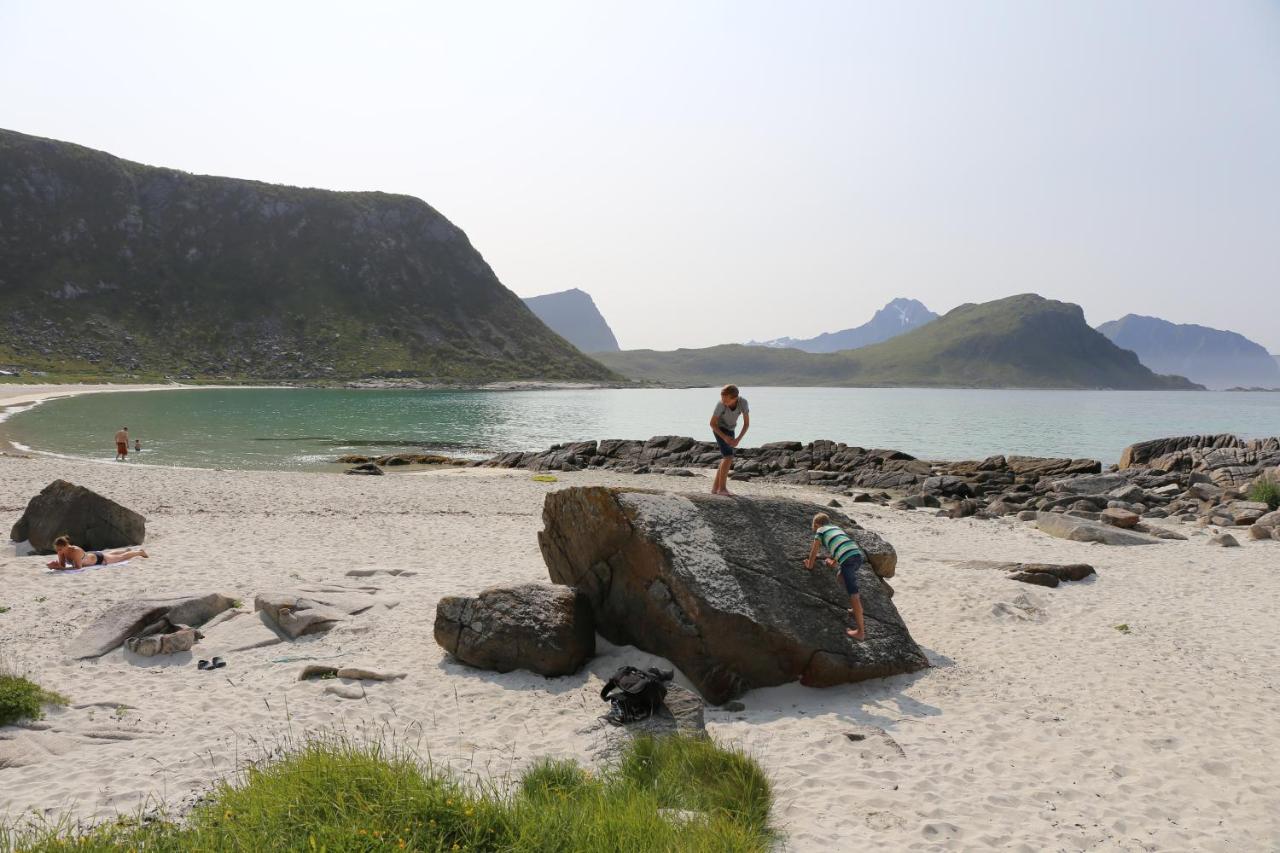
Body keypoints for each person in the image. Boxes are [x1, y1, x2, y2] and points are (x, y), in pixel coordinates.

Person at [804, 512, 867, 640]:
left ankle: (860, 632)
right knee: (840, 577)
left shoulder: (820, 530)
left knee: (853, 593)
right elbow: (839, 544)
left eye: (814, 527)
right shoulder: (836, 528)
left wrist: (810, 565)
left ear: (816, 524)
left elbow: (814, 550)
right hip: (857, 555)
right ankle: (856, 609)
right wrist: (833, 561)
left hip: (848, 559)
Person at [709, 384, 749, 496]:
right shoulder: (720, 404)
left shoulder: (743, 403)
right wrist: (724, 437)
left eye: (726, 400)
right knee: (728, 456)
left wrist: (738, 439)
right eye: (722, 399)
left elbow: (746, 424)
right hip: (719, 429)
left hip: (731, 429)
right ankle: (722, 489)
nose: (723, 402)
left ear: (735, 398)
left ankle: (715, 489)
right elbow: (712, 424)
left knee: (725, 458)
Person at [47, 535, 148, 570]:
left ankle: (139, 552)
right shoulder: (61, 551)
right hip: (93, 556)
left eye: (59, 549)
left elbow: (78, 568)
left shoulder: (75, 551)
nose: (58, 551)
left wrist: (60, 568)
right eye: (57, 549)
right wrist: (55, 566)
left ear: (66, 546)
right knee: (110, 554)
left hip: (99, 560)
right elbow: (62, 565)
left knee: (122, 557)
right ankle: (126, 549)